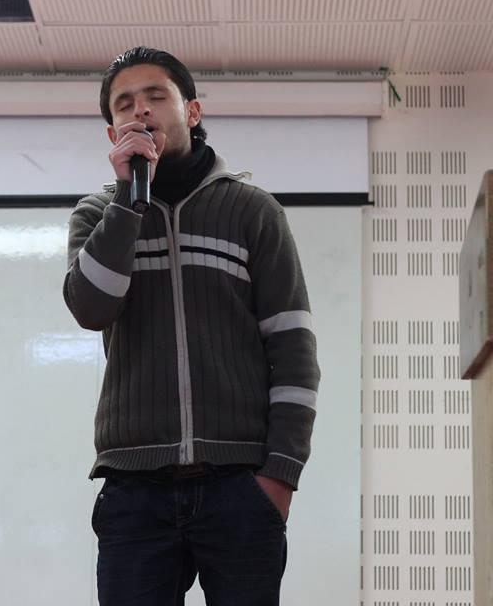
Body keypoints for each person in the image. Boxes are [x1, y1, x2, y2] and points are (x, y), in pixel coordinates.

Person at [63, 46, 321, 605]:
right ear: (113, 134)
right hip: (135, 491)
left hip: (240, 486)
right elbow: (91, 309)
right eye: (124, 104)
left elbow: (293, 350)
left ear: (193, 111)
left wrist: (279, 476)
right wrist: (128, 203)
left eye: (156, 96)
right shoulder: (98, 215)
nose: (141, 110)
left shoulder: (253, 211)